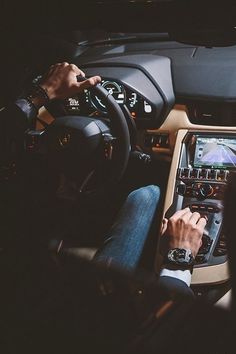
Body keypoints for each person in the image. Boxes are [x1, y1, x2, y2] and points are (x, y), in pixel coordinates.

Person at [0, 62, 207, 353]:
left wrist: (43, 94)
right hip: (90, 321)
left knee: (144, 195)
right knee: (148, 194)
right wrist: (178, 260)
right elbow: (159, 334)